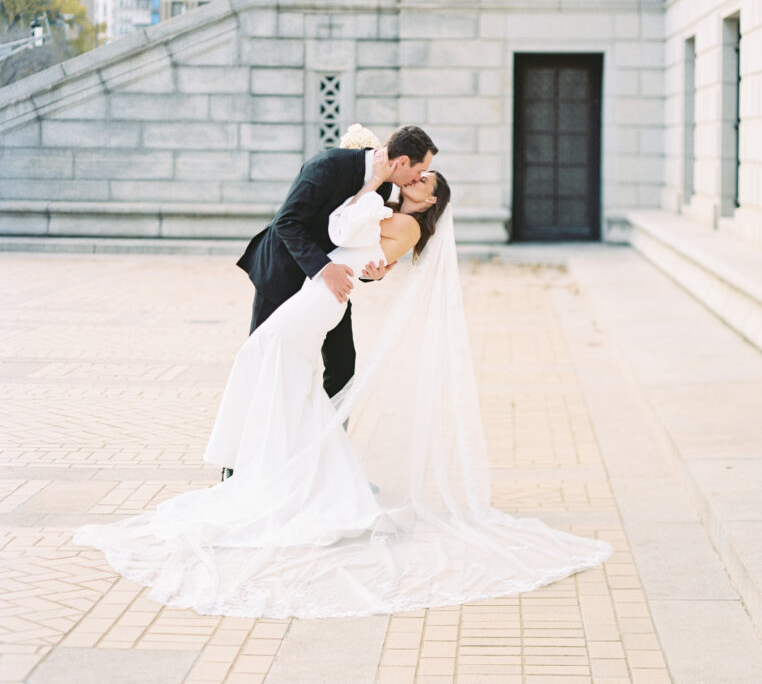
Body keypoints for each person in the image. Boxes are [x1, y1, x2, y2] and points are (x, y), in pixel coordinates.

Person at [73, 143, 613, 619]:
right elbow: (337, 238)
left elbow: (348, 236)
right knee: (282, 369)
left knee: (278, 363)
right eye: (418, 174)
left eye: (424, 184)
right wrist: (371, 206)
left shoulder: (403, 220)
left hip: (319, 298)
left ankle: (282, 470)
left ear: (430, 202)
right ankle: (272, 465)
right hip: (308, 289)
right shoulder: (369, 195)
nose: (415, 183)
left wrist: (373, 204)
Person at [225, 125, 437, 479]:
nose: (418, 177)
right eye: (418, 170)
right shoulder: (327, 166)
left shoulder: (384, 185)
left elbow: (359, 244)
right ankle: (235, 466)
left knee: (342, 366)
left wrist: (375, 272)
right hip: (283, 272)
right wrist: (325, 269)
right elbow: (288, 224)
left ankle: (328, 468)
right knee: (263, 362)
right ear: (401, 161)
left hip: (328, 287)